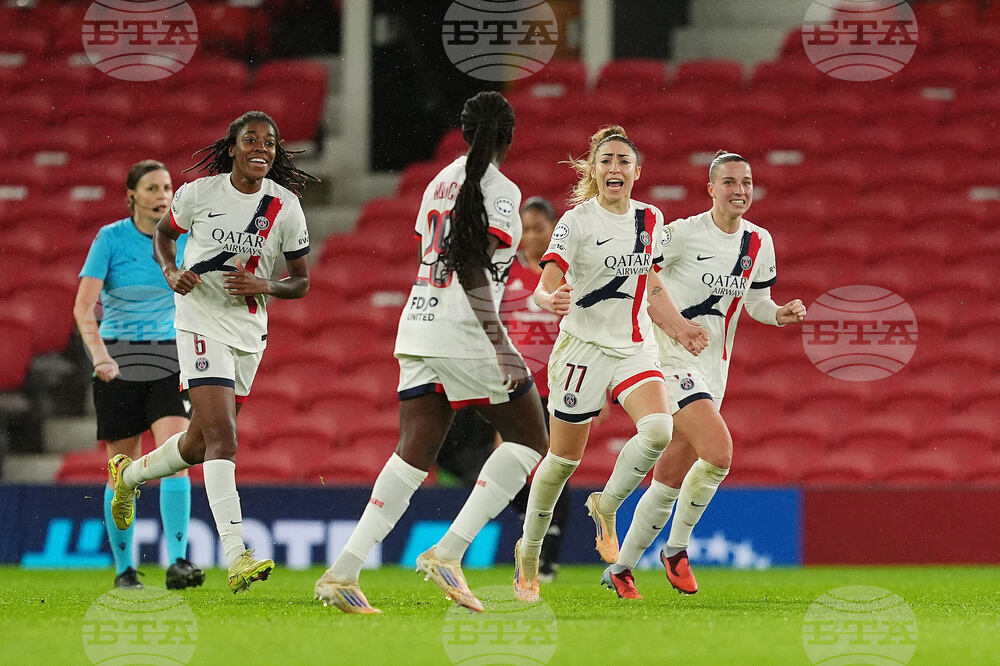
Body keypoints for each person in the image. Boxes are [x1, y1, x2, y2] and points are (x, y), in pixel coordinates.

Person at [315, 91, 549, 615]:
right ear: (508, 137)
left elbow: (434, 249)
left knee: (414, 452)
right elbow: (469, 263)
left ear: (466, 134)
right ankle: (449, 551)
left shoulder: (440, 180)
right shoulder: (502, 191)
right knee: (532, 440)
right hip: (465, 332)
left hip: (418, 322)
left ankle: (344, 571)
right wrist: (501, 343)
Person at [106, 111, 317, 593]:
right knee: (225, 438)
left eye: (270, 141)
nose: (261, 147)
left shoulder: (285, 206)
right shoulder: (199, 193)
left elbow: (301, 282)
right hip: (199, 323)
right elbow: (164, 236)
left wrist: (265, 283)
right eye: (251, 140)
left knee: (198, 445)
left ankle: (130, 476)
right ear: (233, 148)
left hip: (249, 332)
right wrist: (169, 271)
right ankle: (237, 554)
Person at [513, 126, 708, 603]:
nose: (614, 168)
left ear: (637, 172)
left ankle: (606, 504)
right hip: (582, 348)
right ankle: (529, 552)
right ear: (593, 171)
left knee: (660, 429)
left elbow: (652, 284)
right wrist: (546, 299)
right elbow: (547, 280)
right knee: (561, 462)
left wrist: (680, 327)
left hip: (633, 345)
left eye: (623, 161)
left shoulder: (651, 218)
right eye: (606, 161)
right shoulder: (576, 222)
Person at [602, 151, 806, 599]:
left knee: (672, 474)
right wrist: (670, 325)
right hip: (669, 359)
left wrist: (781, 315)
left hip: (714, 369)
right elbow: (642, 276)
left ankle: (621, 568)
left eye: (747, 182)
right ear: (711, 189)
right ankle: (676, 551)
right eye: (730, 182)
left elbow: (756, 304)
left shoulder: (759, 242)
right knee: (718, 453)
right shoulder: (681, 234)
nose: (740, 190)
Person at [74, 160, 204, 590]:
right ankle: (124, 570)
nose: (162, 195)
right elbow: (83, 307)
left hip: (170, 359)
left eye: (167, 187)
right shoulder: (110, 239)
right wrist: (100, 359)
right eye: (152, 188)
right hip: (120, 362)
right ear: (131, 195)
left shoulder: (182, 241)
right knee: (122, 470)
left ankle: (179, 563)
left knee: (177, 459)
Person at [501, 196, 569, 582]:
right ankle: (533, 530)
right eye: (524, 228)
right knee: (510, 464)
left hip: (559, 385)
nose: (530, 236)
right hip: (515, 387)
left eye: (538, 228)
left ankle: (549, 556)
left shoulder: (566, 275)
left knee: (557, 465)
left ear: (554, 230)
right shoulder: (507, 275)